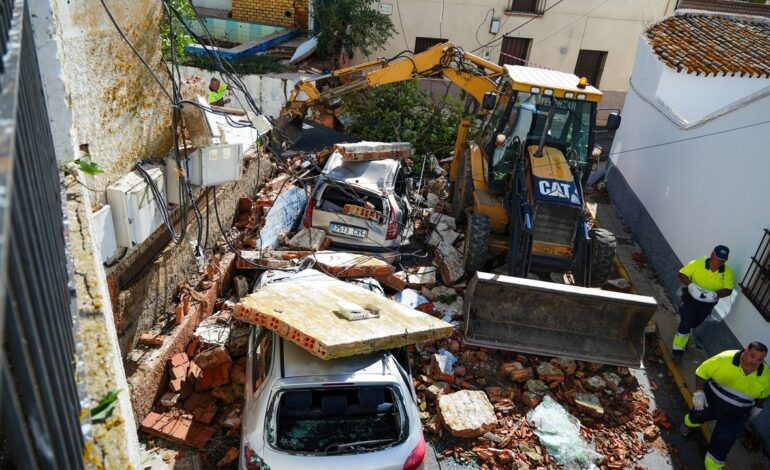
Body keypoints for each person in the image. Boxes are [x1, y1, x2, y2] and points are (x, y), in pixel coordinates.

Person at [680, 342, 770, 470]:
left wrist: (757, 408)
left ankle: (713, 467)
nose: (755, 362)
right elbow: (702, 372)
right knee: (696, 416)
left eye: (759, 359)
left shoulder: (766, 375)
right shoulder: (725, 358)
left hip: (737, 416)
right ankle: (687, 425)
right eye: (752, 356)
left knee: (723, 443)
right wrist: (699, 392)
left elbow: (763, 395)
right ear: (745, 351)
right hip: (711, 402)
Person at [673, 245, 734, 361]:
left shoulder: (728, 273)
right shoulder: (697, 263)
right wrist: (690, 285)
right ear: (712, 254)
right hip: (690, 299)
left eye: (722, 260)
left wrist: (716, 294)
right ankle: (677, 351)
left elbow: (728, 290)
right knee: (686, 322)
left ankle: (685, 334)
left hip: (707, 304)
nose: (719, 262)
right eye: (717, 258)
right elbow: (682, 274)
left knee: (694, 323)